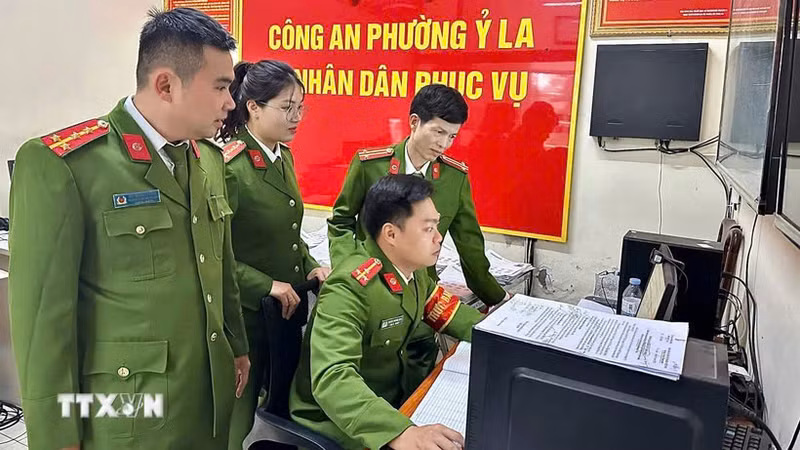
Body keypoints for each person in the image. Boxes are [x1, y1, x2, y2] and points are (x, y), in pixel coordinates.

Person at [9, 8, 250, 450]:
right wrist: (56, 437)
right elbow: (43, 325)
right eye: (220, 87)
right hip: (127, 415)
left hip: (207, 403)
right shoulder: (70, 166)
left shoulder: (209, 161)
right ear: (166, 85)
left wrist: (236, 345)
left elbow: (221, 268)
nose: (230, 103)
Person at [327, 84, 509, 383]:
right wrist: (351, 275)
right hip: (372, 296)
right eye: (438, 132)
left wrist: (497, 298)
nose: (444, 144)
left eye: (452, 136)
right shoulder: (372, 165)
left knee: (418, 384)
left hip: (421, 298)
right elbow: (341, 222)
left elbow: (469, 245)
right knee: (370, 377)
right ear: (414, 122)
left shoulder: (454, 177)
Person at [291, 174, 484, 450]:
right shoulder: (349, 288)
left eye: (437, 226)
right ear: (391, 234)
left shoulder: (413, 272)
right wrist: (399, 432)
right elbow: (333, 379)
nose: (439, 238)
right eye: (428, 229)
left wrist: (502, 339)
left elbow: (450, 314)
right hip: (341, 419)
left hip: (392, 400)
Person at [217, 60, 330, 449]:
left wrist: (311, 266)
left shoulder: (282, 156)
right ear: (253, 107)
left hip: (282, 312)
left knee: (277, 403)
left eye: (301, 107)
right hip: (244, 315)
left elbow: (288, 233)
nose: (296, 117)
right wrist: (265, 284)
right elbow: (212, 252)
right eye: (286, 107)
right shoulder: (229, 166)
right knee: (236, 417)